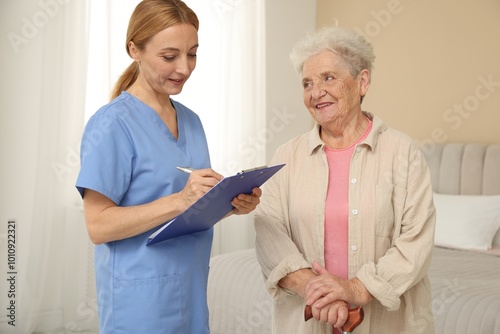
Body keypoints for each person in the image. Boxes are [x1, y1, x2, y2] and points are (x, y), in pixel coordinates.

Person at [75, 1, 261, 333]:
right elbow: (98, 226)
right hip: (139, 302)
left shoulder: (191, 121)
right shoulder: (112, 124)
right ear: (135, 49)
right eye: (169, 56)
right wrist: (179, 200)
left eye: (192, 54)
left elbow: (192, 208)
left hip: (190, 290)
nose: (185, 68)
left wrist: (230, 204)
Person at [254, 26, 436, 334]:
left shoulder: (402, 152)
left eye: (328, 78)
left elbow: (416, 242)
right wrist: (324, 296)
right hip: (307, 322)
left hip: (386, 324)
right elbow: (269, 233)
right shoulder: (287, 155)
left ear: (362, 81)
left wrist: (357, 289)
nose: (316, 92)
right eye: (307, 83)